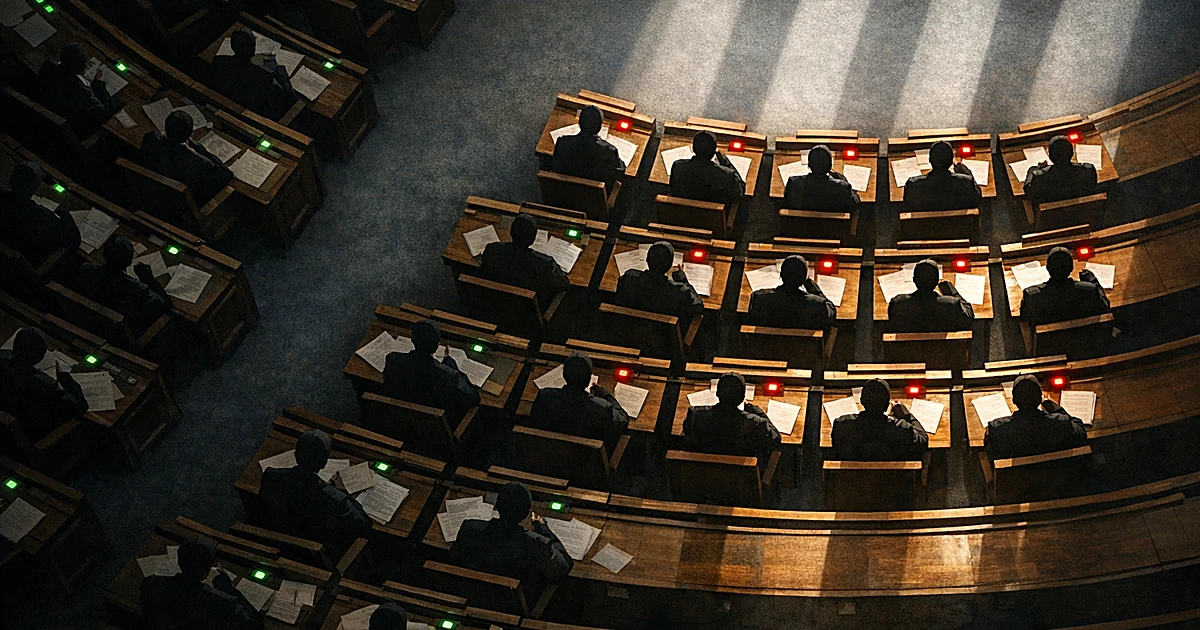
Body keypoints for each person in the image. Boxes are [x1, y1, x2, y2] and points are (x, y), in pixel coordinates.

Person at [260, 429, 371, 557]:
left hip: (279, 541)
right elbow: (364, 523)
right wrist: (340, 490)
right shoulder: (336, 500)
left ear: (295, 455)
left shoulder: (270, 476)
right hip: (313, 554)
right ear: (324, 463)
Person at [451, 482, 574, 586]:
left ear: (497, 505)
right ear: (526, 513)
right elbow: (564, 566)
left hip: (473, 592)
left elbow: (455, 557)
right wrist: (543, 528)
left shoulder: (470, 528)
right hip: (512, 605)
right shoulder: (536, 544)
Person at [139, 539, 263, 630]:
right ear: (205, 573)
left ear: (179, 562)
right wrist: (224, 583)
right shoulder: (221, 602)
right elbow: (256, 623)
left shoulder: (150, 584)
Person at [0, 328, 87, 444]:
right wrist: (65, 379)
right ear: (40, 356)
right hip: (29, 440)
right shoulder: (43, 387)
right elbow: (79, 405)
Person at [527, 352, 628, 451]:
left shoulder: (545, 396)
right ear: (589, 379)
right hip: (583, 464)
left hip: (545, 457)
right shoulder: (602, 408)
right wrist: (605, 394)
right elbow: (623, 419)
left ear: (563, 375)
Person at [382, 319, 480, 420]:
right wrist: (451, 365)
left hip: (401, 420)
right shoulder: (446, 375)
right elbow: (474, 397)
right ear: (437, 346)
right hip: (435, 425)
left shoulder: (392, 359)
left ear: (412, 340)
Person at [74, 236, 171, 336]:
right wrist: (148, 278)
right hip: (125, 329)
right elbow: (164, 305)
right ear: (129, 260)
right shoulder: (137, 289)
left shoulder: (86, 270)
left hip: (94, 321)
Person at [140, 110, 234, 205]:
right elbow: (226, 174)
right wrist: (197, 147)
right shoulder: (200, 162)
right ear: (189, 134)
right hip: (180, 204)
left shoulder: (150, 138)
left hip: (152, 195)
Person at [985, 375, 1088, 460]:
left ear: (1014, 400)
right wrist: (1051, 405)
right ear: (1039, 399)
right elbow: (1080, 431)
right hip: (1058, 481)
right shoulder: (1061, 423)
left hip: (1018, 482)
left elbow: (991, 451)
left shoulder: (997, 429)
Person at [683, 373, 781, 461]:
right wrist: (758, 411)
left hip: (700, 475)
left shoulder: (695, 414)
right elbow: (776, 438)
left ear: (717, 393)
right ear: (742, 398)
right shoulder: (755, 423)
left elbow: (687, 430)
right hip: (739, 478)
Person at [480, 213, 570, 308]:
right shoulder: (545, 264)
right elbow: (565, 284)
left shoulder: (492, 250)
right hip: (526, 312)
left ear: (511, 232)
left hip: (493, 304)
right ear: (533, 239)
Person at [0, 162, 80, 267]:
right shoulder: (38, 216)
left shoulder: (4, 200)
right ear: (35, 187)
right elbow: (73, 240)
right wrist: (66, 216)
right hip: (33, 261)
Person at [830, 379, 928, 461]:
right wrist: (906, 415)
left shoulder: (841, 425)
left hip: (850, 481)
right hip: (892, 482)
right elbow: (923, 439)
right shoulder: (902, 429)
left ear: (862, 401)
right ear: (887, 404)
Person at [37, 43, 122, 136]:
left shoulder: (48, 67)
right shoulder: (80, 91)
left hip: (47, 112)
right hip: (76, 128)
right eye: (84, 59)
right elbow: (104, 114)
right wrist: (98, 84)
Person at [209, 29, 297, 119]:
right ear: (253, 49)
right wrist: (279, 68)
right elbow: (289, 96)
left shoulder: (219, 61)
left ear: (232, 46)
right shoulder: (264, 75)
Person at [614, 241, 704, 323]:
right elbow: (698, 307)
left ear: (647, 259)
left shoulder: (629, 278)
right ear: (669, 266)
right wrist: (683, 280)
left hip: (627, 332)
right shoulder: (680, 291)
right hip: (663, 338)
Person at [1019, 247, 1110, 325]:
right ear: (1071, 268)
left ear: (1047, 268)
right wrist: (1093, 281)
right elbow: (1105, 306)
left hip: (1049, 343)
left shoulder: (1031, 296)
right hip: (1084, 341)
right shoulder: (1089, 290)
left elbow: (1024, 317)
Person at [747, 255, 836, 329]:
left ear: (781, 274)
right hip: (802, 349)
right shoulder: (817, 304)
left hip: (765, 348)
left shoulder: (759, 298)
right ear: (804, 278)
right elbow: (831, 312)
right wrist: (815, 290)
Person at [888, 259, 974, 332]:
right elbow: (968, 317)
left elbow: (893, 322)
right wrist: (953, 292)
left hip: (908, 351)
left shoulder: (898, 303)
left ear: (914, 279)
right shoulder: (951, 303)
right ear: (937, 281)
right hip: (943, 350)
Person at [552, 105, 624, 191]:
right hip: (592, 199)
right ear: (600, 127)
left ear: (579, 123)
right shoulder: (609, 151)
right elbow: (620, 171)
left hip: (562, 192)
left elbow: (554, 163)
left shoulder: (563, 142)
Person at [668, 130, 744, 206]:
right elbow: (740, 191)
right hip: (713, 217)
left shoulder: (678, 166)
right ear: (713, 152)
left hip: (681, 215)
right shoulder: (727, 175)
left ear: (693, 149)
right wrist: (726, 162)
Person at [903, 141, 982, 211]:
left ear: (930, 160)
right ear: (951, 161)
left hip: (923, 227)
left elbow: (907, 205)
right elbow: (977, 198)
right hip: (959, 226)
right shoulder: (966, 183)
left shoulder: (913, 185)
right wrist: (967, 173)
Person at [782, 145, 859, 212]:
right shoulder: (842, 188)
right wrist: (843, 181)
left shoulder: (793, 184)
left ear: (809, 165)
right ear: (830, 166)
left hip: (801, 228)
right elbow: (855, 203)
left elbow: (787, 200)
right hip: (833, 228)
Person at [1023, 135, 1099, 204]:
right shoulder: (1088, 170)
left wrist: (1037, 168)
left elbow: (1028, 191)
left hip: (1052, 217)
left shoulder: (1039, 177)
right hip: (1082, 214)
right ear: (1072, 153)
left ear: (1050, 157)